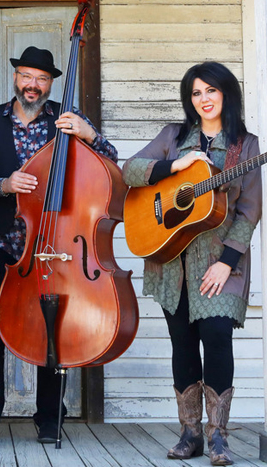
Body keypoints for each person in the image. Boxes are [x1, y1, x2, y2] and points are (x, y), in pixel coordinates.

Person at [0, 46, 118, 446]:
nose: (33, 85)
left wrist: (89, 135)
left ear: (51, 83)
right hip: (6, 246)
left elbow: (111, 163)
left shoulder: (66, 119)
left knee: (53, 331)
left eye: (41, 79)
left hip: (60, 249)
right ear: (16, 77)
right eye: (27, 76)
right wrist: (5, 184)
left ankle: (49, 416)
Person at [122, 62, 262, 466]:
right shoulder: (174, 136)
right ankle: (190, 434)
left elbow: (249, 210)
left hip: (219, 261)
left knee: (217, 336)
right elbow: (129, 171)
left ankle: (218, 437)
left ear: (226, 94)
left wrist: (227, 263)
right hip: (171, 260)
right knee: (182, 343)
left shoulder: (245, 146)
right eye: (196, 92)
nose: (204, 99)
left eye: (211, 90)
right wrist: (174, 166)